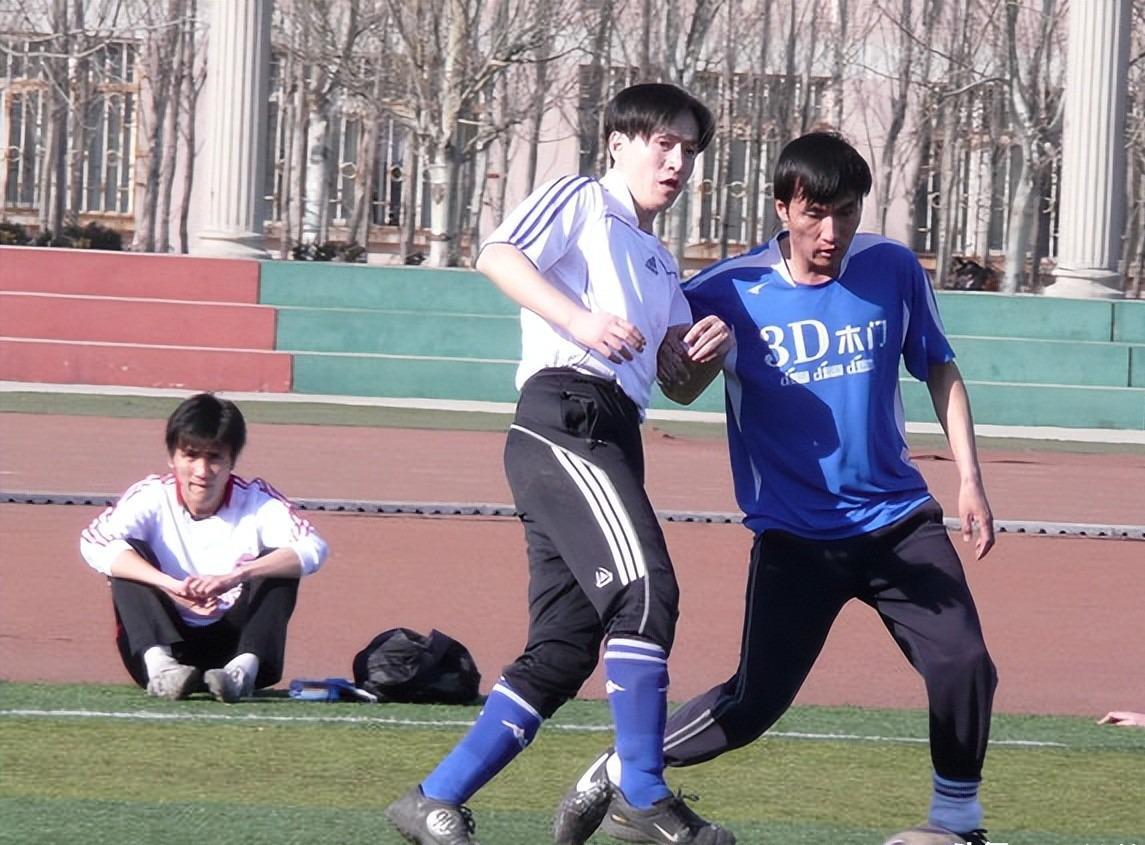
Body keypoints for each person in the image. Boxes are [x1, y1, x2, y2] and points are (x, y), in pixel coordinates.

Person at [554, 132, 999, 845]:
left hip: (898, 521)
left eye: (846, 213)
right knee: (752, 704)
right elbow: (678, 385)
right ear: (782, 208)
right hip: (796, 538)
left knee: (965, 663)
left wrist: (969, 479)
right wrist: (705, 355)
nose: (831, 232)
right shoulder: (725, 289)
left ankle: (955, 822)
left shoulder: (890, 268)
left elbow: (939, 368)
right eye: (815, 214)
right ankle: (622, 767)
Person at [384, 82, 735, 845]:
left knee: (564, 648)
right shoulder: (583, 199)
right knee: (645, 591)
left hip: (612, 431)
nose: (677, 161)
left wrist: (704, 353)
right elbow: (496, 253)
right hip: (564, 416)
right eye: (663, 143)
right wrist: (578, 318)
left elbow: (677, 383)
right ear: (617, 143)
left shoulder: (659, 259)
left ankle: (433, 797)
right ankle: (640, 793)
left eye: (688, 149)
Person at [80, 392, 328, 703]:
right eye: (191, 456)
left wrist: (236, 576)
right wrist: (171, 587)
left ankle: (241, 675)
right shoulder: (150, 496)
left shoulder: (258, 500)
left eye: (214, 457)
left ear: (231, 461)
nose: (202, 471)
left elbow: (314, 548)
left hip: (236, 644)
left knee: (280, 562)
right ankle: (162, 670)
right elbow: (92, 542)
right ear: (172, 457)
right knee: (125, 555)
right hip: (166, 643)